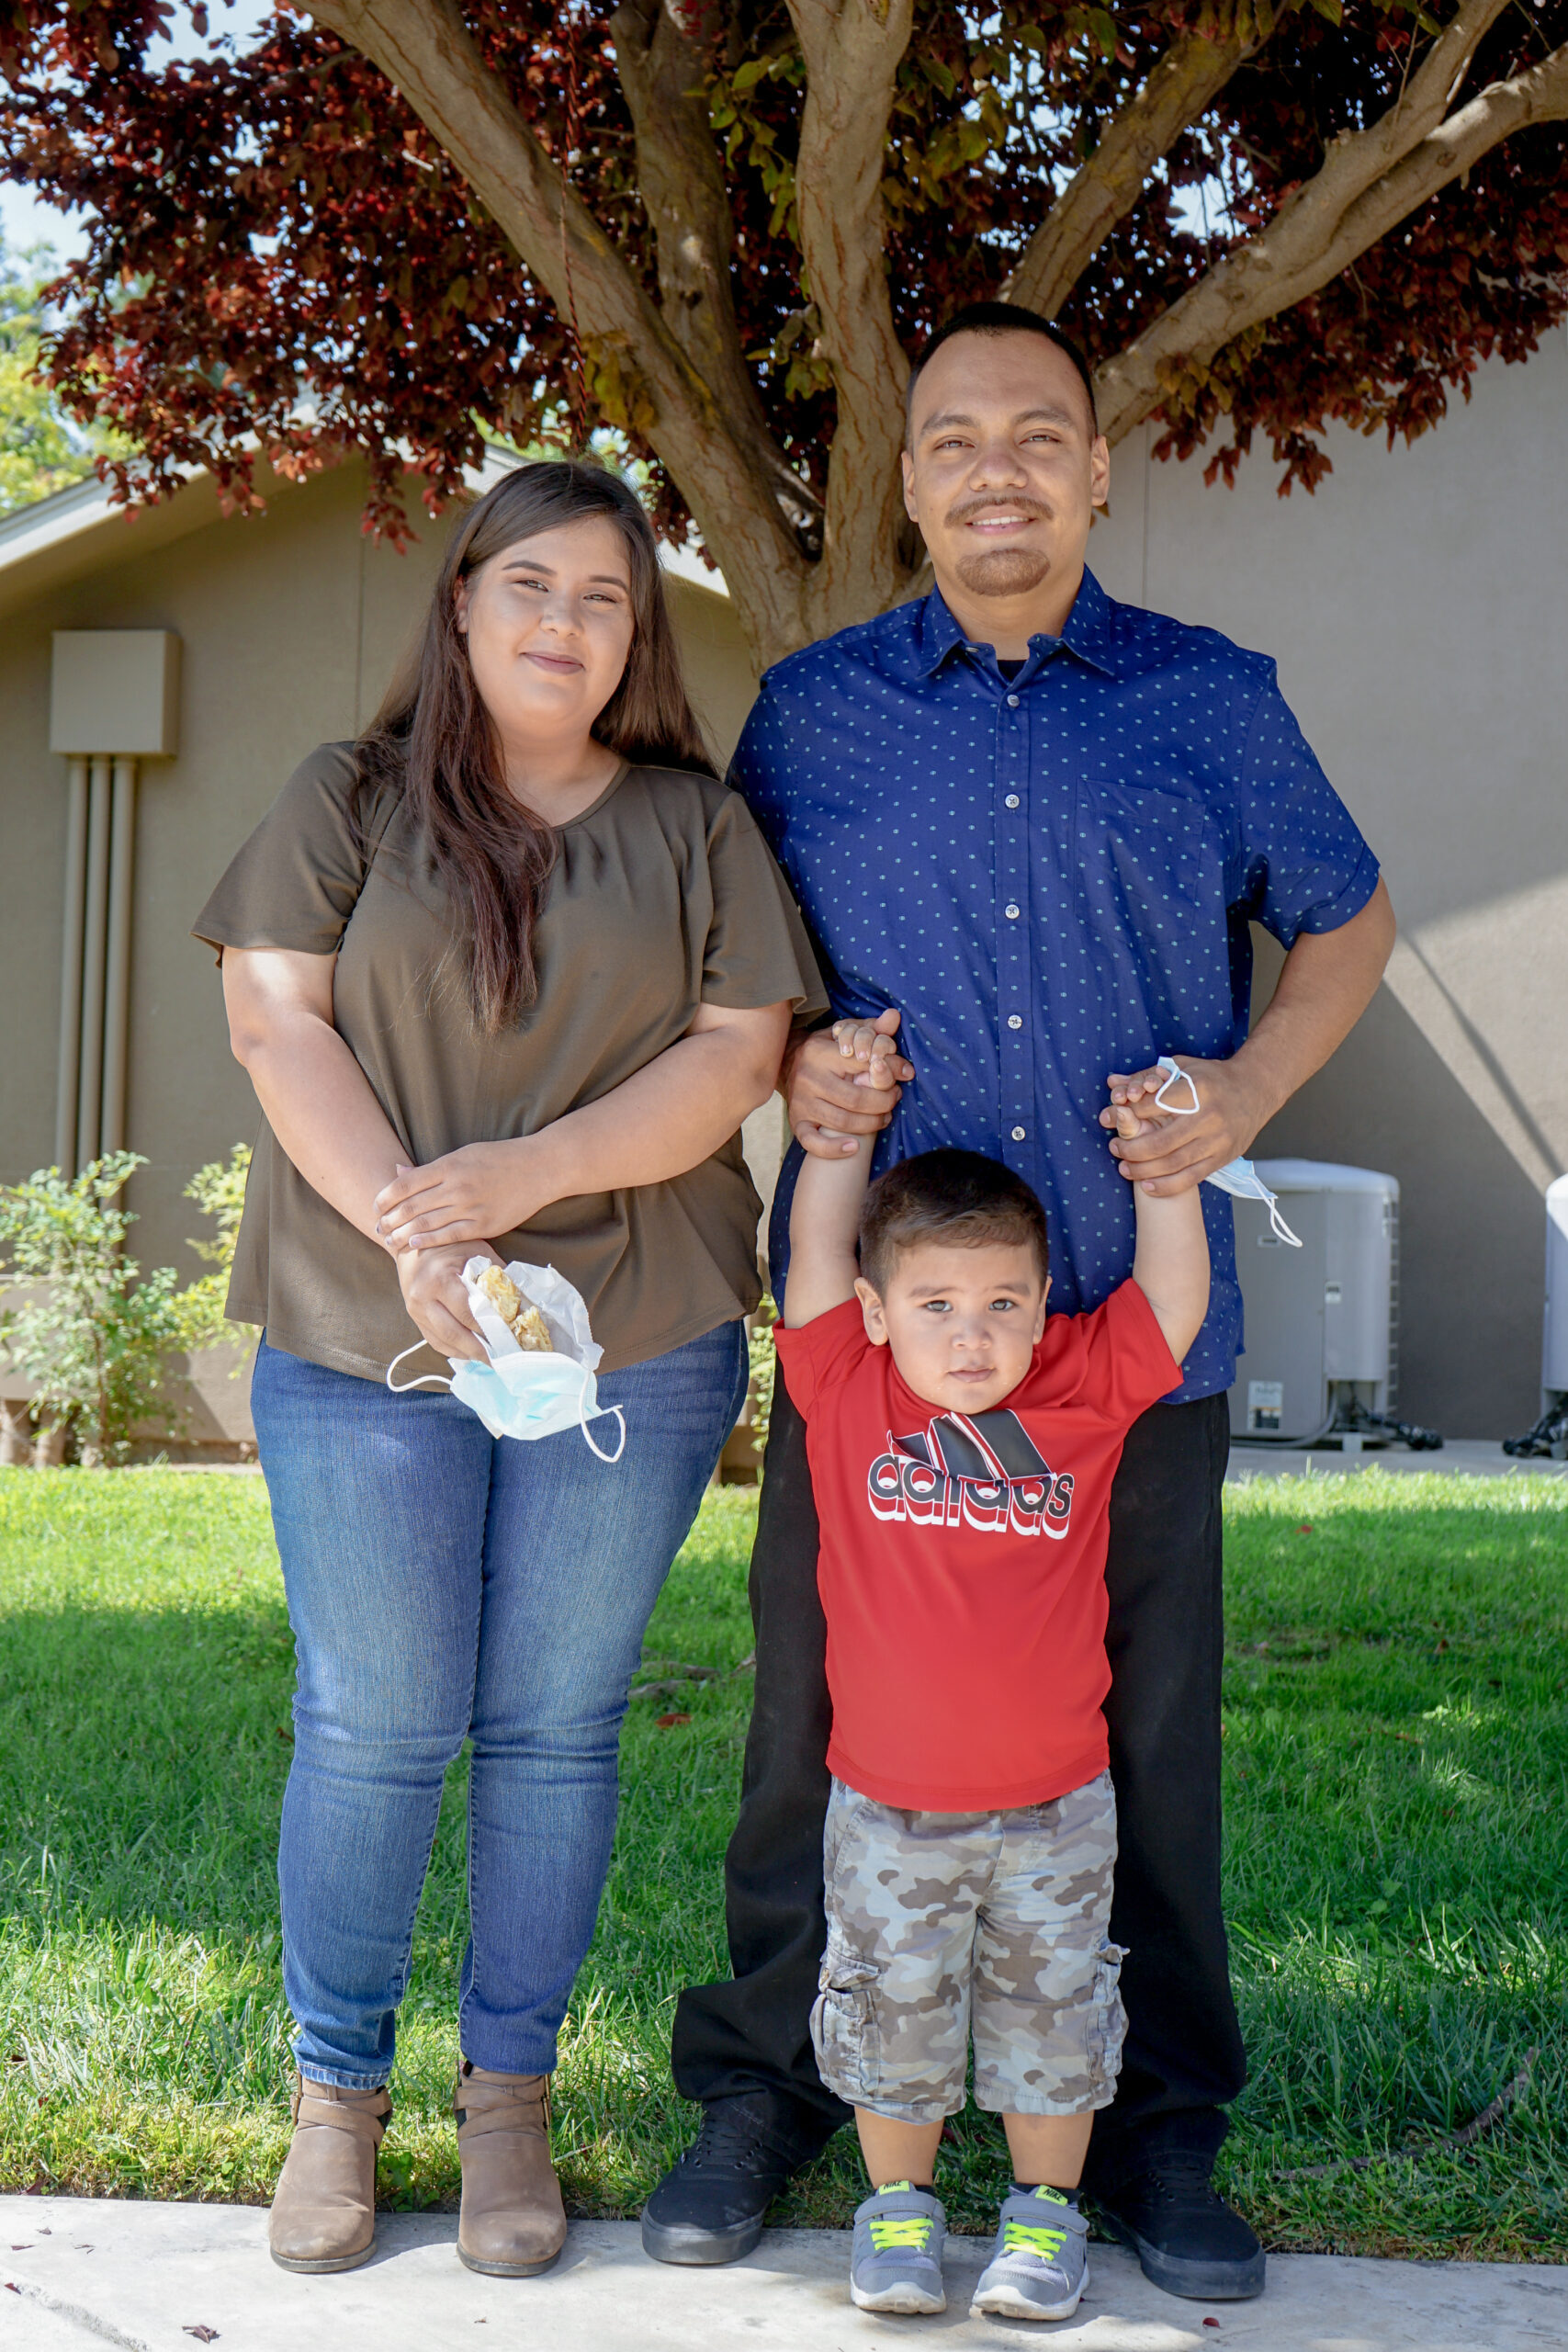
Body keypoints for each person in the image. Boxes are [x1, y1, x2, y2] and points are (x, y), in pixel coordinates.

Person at [650, 301, 1395, 2302]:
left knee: (1140, 1743)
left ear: (1089, 464)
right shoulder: (808, 716)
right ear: (906, 478)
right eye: (956, 437)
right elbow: (744, 978)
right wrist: (792, 1070)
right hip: (881, 1360)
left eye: (1037, 435)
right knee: (814, 1722)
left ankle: (1152, 2133)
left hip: (1128, 1352)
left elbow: (1345, 914)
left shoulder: (1208, 698)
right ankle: (766, 2089)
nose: (997, 467)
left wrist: (1243, 1086)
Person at [191, 460, 824, 2280]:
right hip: (360, 1322)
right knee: (374, 1718)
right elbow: (272, 1014)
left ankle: (510, 2101)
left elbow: (735, 1058)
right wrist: (422, 1231)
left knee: (553, 1725)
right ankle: (333, 2102)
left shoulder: (694, 824)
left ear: (636, 633)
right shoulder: (348, 796)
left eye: (601, 597)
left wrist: (525, 1180)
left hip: (633, 1325)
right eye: (525, 583)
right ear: (460, 601)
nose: (559, 622)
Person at [774, 1042, 1210, 2322]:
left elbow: (1171, 1301)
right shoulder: (846, 1385)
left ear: (1043, 1302)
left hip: (1056, 1806)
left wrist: (1164, 1171)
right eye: (938, 1306)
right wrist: (841, 1144)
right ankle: (900, 2214)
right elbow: (814, 1259)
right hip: (890, 1806)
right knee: (892, 2010)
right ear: (878, 1311)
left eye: (1004, 1304)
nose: (973, 1339)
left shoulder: (1080, 1385)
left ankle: (1041, 2220)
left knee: (1055, 2016)